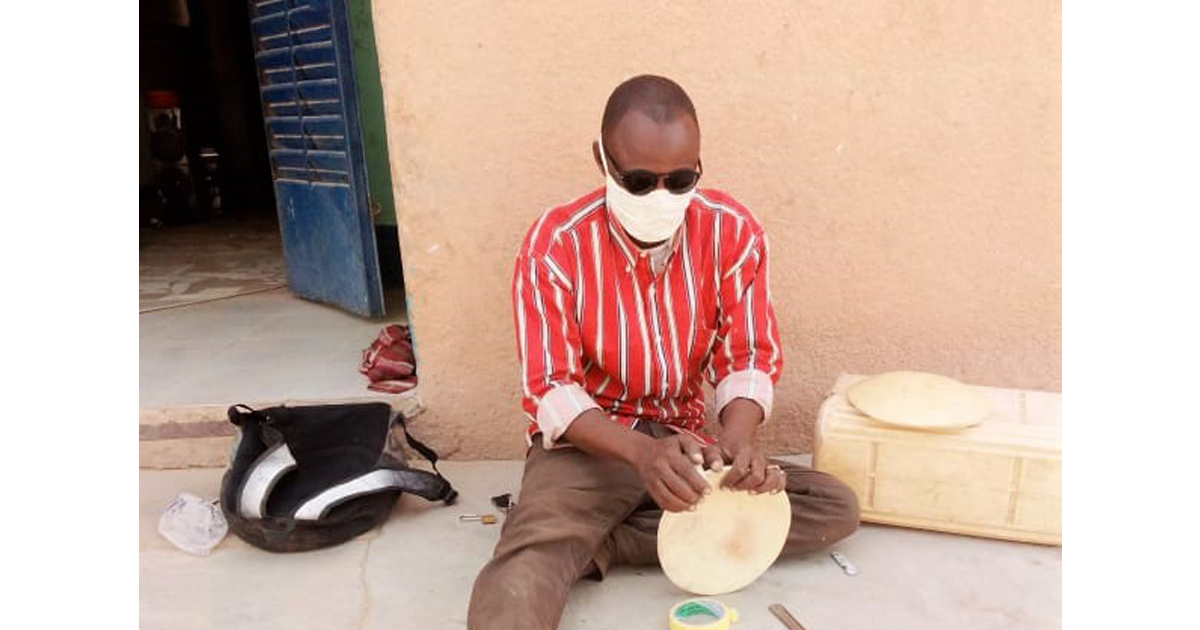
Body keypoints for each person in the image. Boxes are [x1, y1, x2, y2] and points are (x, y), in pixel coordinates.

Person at [468, 75, 860, 630]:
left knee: (832, 508)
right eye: (638, 180)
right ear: (601, 161)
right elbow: (550, 390)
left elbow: (747, 358)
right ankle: (570, 531)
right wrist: (638, 455)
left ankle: (599, 540)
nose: (660, 197)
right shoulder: (555, 244)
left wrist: (737, 442)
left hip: (689, 445)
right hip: (594, 445)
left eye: (679, 181)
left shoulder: (732, 231)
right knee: (523, 573)